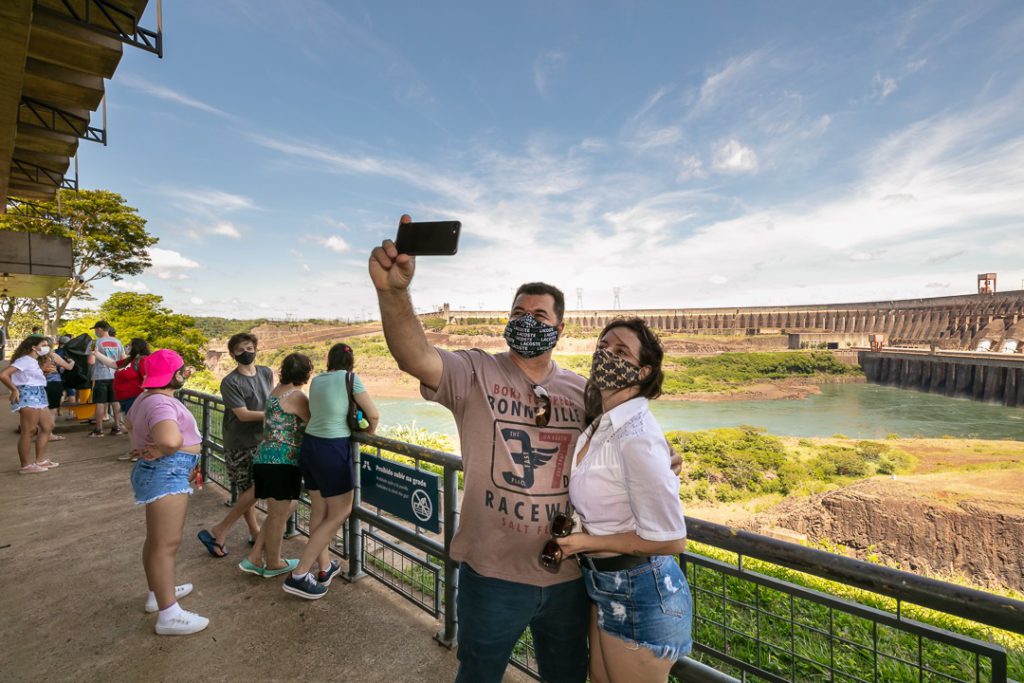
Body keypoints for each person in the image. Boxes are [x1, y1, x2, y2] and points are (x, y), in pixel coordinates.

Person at [555, 319, 691, 683]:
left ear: (643, 371)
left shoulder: (635, 437)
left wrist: (586, 543)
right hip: (606, 584)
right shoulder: (602, 424)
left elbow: (673, 539)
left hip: (640, 590)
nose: (606, 356)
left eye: (621, 352)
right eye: (603, 346)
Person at [282, 343, 379, 599]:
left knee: (320, 509)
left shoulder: (317, 380)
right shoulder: (351, 378)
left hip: (311, 446)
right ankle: (300, 574)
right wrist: (369, 430)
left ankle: (324, 568)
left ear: (329, 360)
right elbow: (374, 415)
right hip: (332, 449)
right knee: (341, 511)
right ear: (351, 361)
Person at [125, 349, 208, 635]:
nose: (185, 373)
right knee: (167, 544)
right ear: (172, 375)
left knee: (156, 541)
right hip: (166, 472)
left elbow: (128, 423)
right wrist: (163, 447)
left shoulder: (146, 397)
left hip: (159, 471)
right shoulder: (161, 402)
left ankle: (157, 593)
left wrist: (151, 444)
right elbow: (171, 440)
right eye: (182, 370)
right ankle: (169, 615)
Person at [239, 353, 313, 579]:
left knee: (281, 511)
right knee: (279, 516)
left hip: (265, 457)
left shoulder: (276, 392)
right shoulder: (297, 396)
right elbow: (313, 423)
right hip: (283, 461)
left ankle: (253, 557)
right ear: (306, 374)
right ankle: (273, 563)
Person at [197, 333, 271, 558]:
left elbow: (270, 399)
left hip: (262, 439)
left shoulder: (266, 373)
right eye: (240, 350)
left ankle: (245, 531)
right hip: (239, 442)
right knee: (249, 488)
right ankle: (235, 529)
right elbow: (243, 415)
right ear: (232, 354)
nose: (246, 352)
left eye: (249, 347)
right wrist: (274, 416)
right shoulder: (230, 382)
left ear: (256, 348)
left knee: (252, 489)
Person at [1, 336, 59, 473]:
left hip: (38, 394)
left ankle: (40, 461)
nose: (47, 347)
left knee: (48, 426)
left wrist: (43, 373)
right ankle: (26, 466)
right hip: (28, 394)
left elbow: (32, 379)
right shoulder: (24, 360)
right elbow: (3, 374)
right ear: (34, 347)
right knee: (29, 430)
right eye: (43, 345)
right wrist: (14, 389)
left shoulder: (34, 361)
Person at [87, 320, 125, 437]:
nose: (95, 332)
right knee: (115, 401)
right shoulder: (118, 342)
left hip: (100, 376)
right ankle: (117, 427)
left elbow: (91, 361)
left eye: (95, 329)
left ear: (100, 329)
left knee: (100, 402)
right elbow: (123, 359)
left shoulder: (94, 342)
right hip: (115, 375)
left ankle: (98, 430)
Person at [41, 336, 75, 440]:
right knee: (52, 411)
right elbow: (69, 367)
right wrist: (72, 361)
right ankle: (49, 434)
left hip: (40, 385)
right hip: (54, 384)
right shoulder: (52, 355)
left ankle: (42, 432)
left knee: (42, 410)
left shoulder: (36, 356)